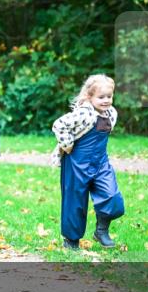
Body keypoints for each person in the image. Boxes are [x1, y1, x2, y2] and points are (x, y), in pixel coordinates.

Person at [51, 74, 124, 251]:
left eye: (109, 96)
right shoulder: (84, 113)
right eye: (101, 97)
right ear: (89, 97)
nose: (106, 100)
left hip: (100, 163)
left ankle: (101, 230)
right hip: (77, 163)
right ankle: (71, 241)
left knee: (112, 195)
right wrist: (67, 146)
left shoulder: (111, 113)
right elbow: (59, 125)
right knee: (74, 202)